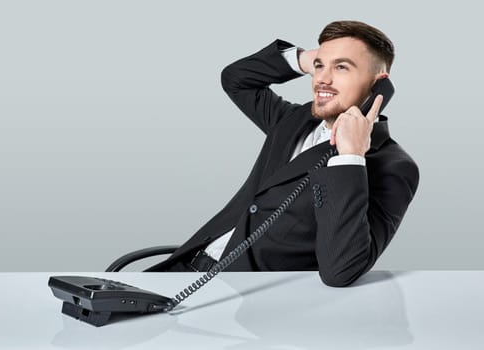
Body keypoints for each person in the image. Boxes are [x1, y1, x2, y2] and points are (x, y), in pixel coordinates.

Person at [147, 20, 419, 287]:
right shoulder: (294, 121)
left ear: (378, 87)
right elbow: (236, 80)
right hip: (185, 267)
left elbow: (341, 270)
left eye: (342, 67)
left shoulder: (394, 167)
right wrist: (305, 59)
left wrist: (350, 158)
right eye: (319, 66)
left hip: (240, 297)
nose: (322, 78)